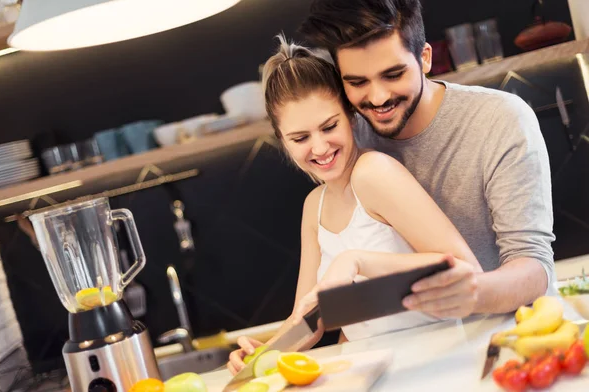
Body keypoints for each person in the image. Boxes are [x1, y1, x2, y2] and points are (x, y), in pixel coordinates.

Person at [227, 34, 482, 375]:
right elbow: (308, 320)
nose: (319, 148)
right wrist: (261, 357)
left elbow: (464, 270)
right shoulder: (313, 207)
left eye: (329, 126)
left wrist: (355, 261)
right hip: (372, 375)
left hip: (438, 366)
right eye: (300, 138)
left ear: (349, 115)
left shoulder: (373, 173)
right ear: (283, 142)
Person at [296, 0, 555, 315]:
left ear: (425, 58)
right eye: (358, 82)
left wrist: (474, 292)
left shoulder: (499, 118)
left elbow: (534, 266)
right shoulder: (350, 137)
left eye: (393, 75)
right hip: (420, 346)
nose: (378, 97)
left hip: (515, 332)